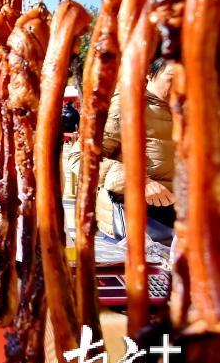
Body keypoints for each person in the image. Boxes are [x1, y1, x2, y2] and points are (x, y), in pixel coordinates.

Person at [69, 57, 176, 243]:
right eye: (173, 78)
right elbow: (81, 158)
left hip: (188, 222)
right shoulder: (124, 107)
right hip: (139, 223)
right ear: (150, 74)